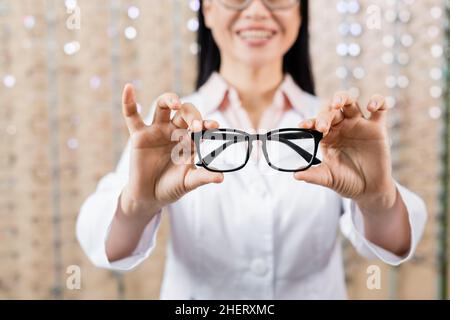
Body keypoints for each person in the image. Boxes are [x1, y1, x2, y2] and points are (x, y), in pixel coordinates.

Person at [76, 0, 427, 299]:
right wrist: (137, 206)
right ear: (208, 9)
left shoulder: (335, 126)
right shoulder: (170, 128)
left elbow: (394, 244)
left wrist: (378, 200)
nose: (257, 10)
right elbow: (101, 238)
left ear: (300, 13)